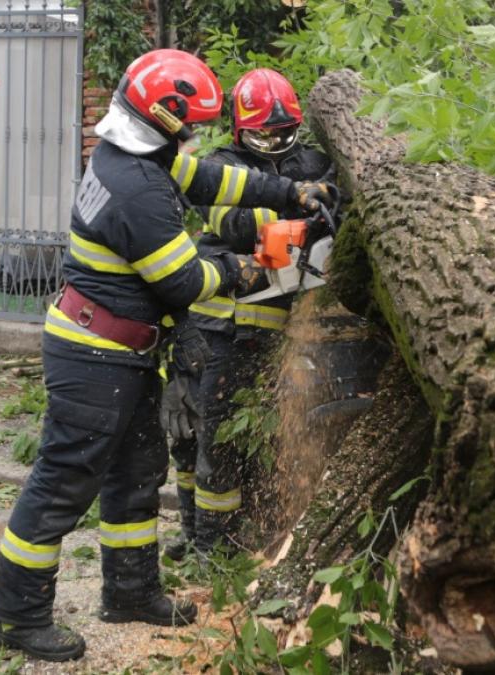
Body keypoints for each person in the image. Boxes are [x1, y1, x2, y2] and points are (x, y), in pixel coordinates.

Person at [0, 50, 336, 662]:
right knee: (64, 481)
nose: (196, 134)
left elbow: (215, 180)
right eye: (190, 123)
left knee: (136, 472)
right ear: (165, 115)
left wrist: (292, 191)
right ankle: (17, 616)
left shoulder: (138, 155)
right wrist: (251, 270)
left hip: (126, 348)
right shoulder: (135, 190)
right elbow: (183, 282)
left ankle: (130, 591)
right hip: (94, 352)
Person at [164, 68, 335, 561]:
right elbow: (232, 222)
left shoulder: (314, 162)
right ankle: (204, 543)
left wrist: (314, 209)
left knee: (245, 437)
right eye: (264, 133)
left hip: (280, 324)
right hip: (216, 324)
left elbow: (335, 207)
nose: (276, 142)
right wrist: (294, 216)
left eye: (284, 132)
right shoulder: (221, 163)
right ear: (242, 129)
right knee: (199, 432)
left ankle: (230, 540)